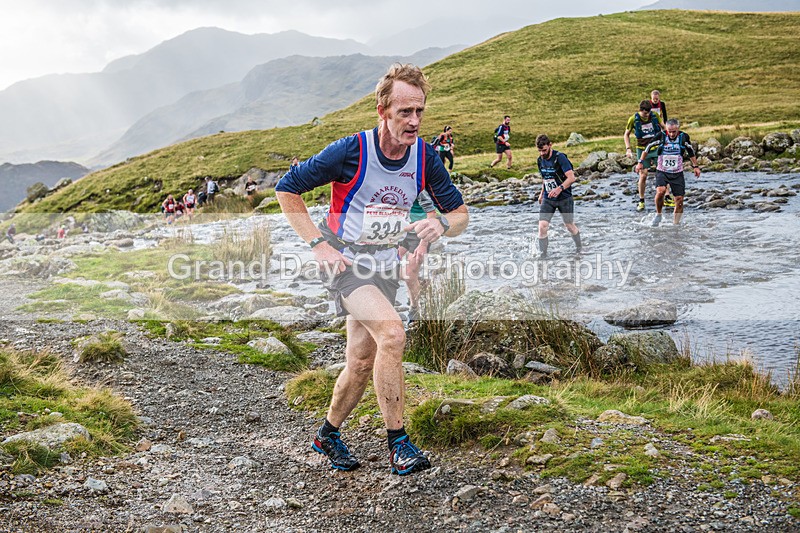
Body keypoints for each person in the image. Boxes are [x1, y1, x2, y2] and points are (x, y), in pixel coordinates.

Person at [275, 63, 468, 476]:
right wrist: (317, 243)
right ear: (383, 110)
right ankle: (399, 443)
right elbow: (286, 190)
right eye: (404, 112)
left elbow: (461, 213)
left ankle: (326, 434)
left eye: (420, 111)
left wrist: (442, 223)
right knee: (393, 334)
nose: (414, 121)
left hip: (385, 266)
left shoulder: (426, 157)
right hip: (346, 264)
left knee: (362, 361)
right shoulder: (350, 151)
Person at [637, 119, 701, 227]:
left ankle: (675, 225)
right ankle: (658, 214)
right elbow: (647, 148)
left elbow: (690, 152)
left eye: (674, 132)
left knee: (679, 200)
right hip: (662, 170)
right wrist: (640, 162)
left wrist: (696, 166)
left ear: (678, 130)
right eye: (669, 131)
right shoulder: (661, 136)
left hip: (677, 172)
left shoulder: (683, 137)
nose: (671, 134)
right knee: (661, 191)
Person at [535, 134, 581, 257]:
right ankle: (543, 256)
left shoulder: (560, 158)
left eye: (544, 150)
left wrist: (559, 189)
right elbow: (545, 178)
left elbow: (571, 178)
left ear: (550, 145)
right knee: (542, 227)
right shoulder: (540, 160)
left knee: (569, 226)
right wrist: (541, 194)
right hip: (548, 198)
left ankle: (579, 249)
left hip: (564, 197)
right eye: (539, 151)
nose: (542, 154)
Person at [624, 100, 664, 211]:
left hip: (656, 148)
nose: (646, 116)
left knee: (663, 171)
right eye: (644, 114)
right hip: (641, 149)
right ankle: (641, 200)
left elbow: (663, 127)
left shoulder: (655, 115)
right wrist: (628, 149)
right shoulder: (633, 119)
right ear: (640, 110)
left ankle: (667, 196)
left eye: (648, 113)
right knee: (643, 174)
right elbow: (626, 134)